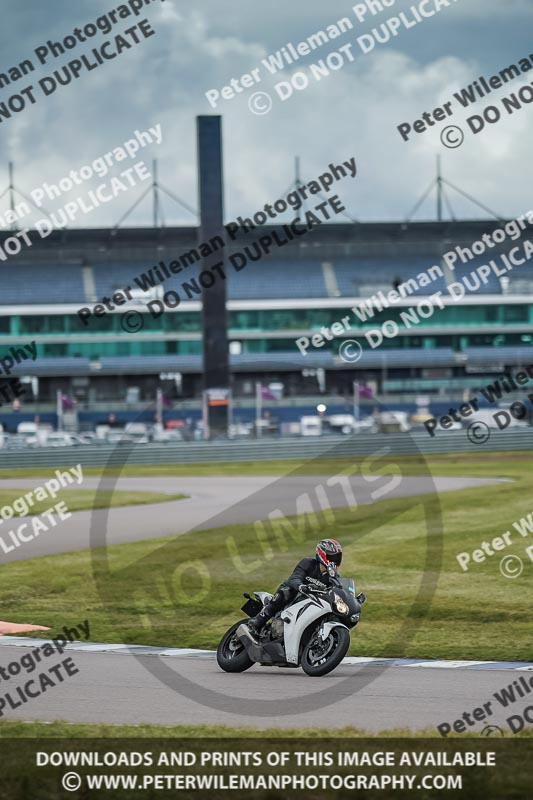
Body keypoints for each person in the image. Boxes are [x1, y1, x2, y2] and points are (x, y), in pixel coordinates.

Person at [247, 539, 343, 637]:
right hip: (294, 595)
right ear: (322, 554)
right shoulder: (308, 563)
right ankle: (257, 621)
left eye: (337, 557)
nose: (335, 560)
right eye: (333, 557)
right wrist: (301, 586)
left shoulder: (333, 577)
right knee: (285, 593)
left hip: (310, 603)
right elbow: (294, 578)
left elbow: (337, 591)